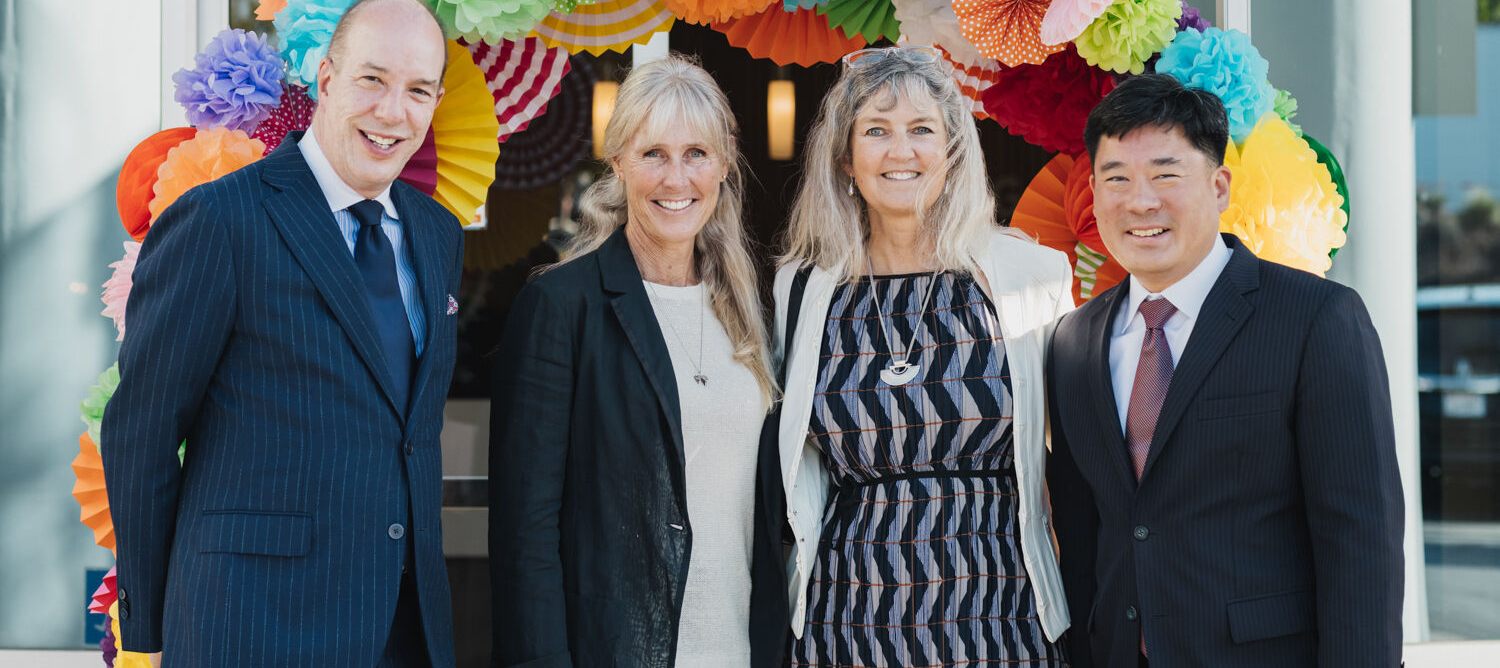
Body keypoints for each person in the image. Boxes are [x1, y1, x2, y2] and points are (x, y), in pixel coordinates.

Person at [102, 0, 465, 668]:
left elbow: (405, 430)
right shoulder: (220, 221)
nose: (393, 111)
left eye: (418, 90)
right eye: (372, 80)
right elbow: (141, 433)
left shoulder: (437, 234)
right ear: (326, 80)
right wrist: (147, 635)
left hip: (402, 631)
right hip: (251, 628)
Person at [1046, 73, 1404, 668]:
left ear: (1218, 187)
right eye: (1116, 178)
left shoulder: (1316, 319)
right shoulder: (1072, 341)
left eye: (1166, 174)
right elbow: (1084, 542)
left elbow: (1360, 539)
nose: (1140, 201)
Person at [777, 45, 1074, 668]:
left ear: (953, 150)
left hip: (1000, 617)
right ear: (846, 156)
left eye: (921, 130)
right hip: (848, 620)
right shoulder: (802, 291)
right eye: (876, 131)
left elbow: (1077, 458)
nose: (900, 151)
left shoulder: (1029, 274)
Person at [488, 55, 787, 668]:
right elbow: (525, 534)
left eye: (696, 153)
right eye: (653, 153)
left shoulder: (751, 309)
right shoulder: (561, 306)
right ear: (618, 160)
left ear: (724, 164)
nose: (675, 179)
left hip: (739, 649)